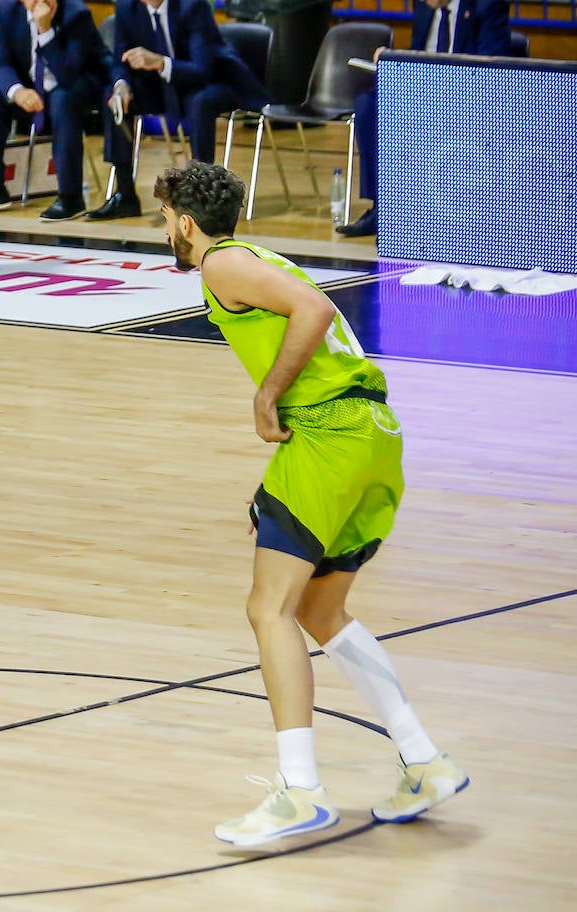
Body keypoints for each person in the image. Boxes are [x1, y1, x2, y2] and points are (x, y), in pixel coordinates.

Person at [152, 161, 469, 845]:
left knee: (268, 608)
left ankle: (301, 791)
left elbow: (317, 309)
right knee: (320, 609)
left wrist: (265, 396)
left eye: (165, 221)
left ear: (184, 221)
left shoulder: (223, 264)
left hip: (331, 436)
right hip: (371, 437)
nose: (165, 232)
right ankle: (424, 760)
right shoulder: (257, 257)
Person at [337, 0, 509, 237]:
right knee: (367, 105)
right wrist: (392, 58)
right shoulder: (424, 7)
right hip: (422, 89)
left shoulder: (486, 6)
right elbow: (417, 52)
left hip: (465, 92)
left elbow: (493, 63)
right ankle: (381, 207)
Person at [90, 0, 267, 221]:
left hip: (215, 81)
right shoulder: (127, 7)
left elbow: (202, 69)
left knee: (200, 101)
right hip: (166, 85)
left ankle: (202, 196)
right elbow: (120, 61)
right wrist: (121, 85)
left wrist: (160, 63)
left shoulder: (192, 6)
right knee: (116, 99)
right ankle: (125, 195)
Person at [0, 0, 107, 222]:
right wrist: (17, 92)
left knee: (61, 99)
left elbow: (67, 73)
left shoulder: (76, 13)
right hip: (32, 81)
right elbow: (0, 61)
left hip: (79, 83)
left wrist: (45, 30)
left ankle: (70, 197)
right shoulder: (7, 10)